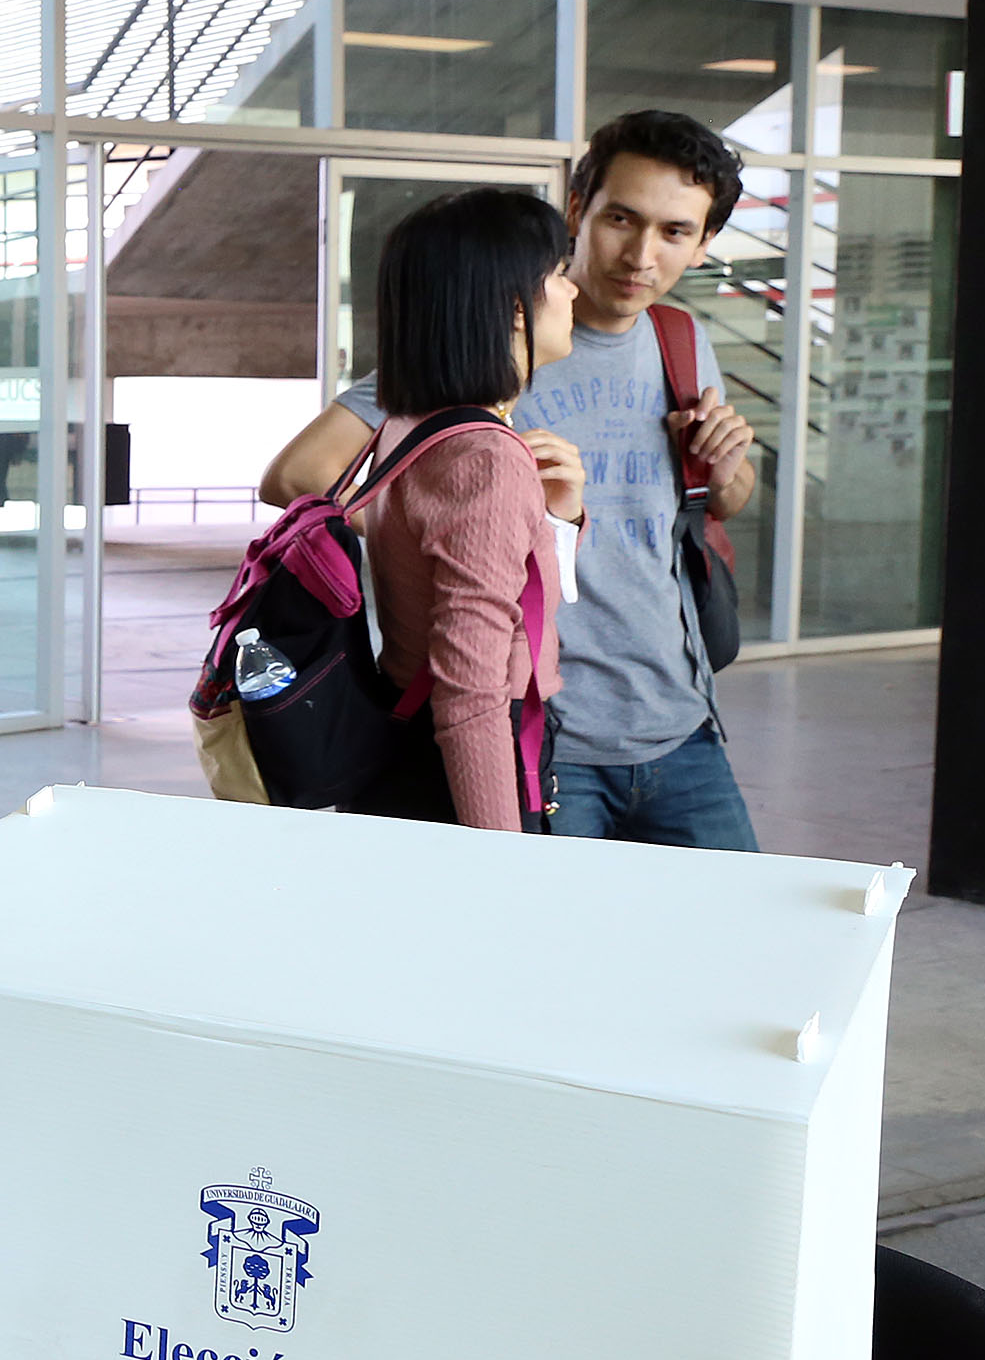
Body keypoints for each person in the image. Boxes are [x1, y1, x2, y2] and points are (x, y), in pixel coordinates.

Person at [256, 112, 762, 849]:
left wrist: (724, 468)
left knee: (731, 950)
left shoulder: (680, 341)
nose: (640, 255)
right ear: (576, 210)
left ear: (703, 241)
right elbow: (296, 477)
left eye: (674, 232)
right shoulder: (478, 349)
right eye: (620, 218)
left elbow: (717, 506)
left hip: (679, 721)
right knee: (554, 956)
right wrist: (455, 528)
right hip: (547, 733)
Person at [352, 189, 584, 832]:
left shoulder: (411, 425)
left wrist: (556, 519)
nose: (572, 292)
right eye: (558, 276)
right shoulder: (485, 458)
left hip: (409, 725)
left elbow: (527, 604)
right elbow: (472, 686)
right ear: (514, 308)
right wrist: (499, 857)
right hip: (469, 756)